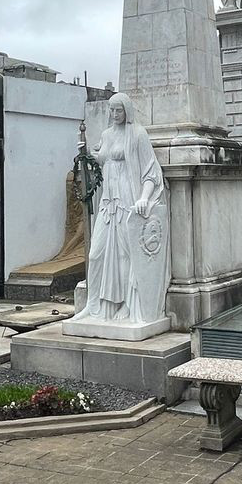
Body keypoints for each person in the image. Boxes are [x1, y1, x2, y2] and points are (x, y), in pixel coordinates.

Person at [74, 92, 167, 325]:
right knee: (96, 254)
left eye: (119, 110)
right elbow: (100, 162)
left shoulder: (137, 134)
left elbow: (150, 171)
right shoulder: (106, 135)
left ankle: (126, 303)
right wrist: (85, 154)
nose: (115, 114)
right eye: (112, 110)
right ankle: (93, 305)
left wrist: (144, 198)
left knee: (127, 255)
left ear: (127, 111)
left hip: (129, 200)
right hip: (108, 203)